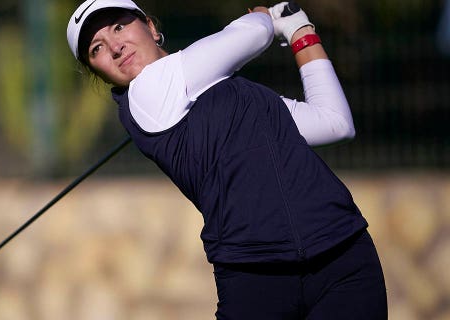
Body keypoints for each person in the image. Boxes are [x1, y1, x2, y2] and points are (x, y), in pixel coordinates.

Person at [66, 0, 387, 319]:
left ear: (151, 27)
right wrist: (267, 16)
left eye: (119, 27)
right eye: (97, 48)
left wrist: (300, 32)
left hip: (341, 256)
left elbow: (334, 122)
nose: (116, 47)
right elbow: (253, 36)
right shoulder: (147, 93)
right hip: (256, 279)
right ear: (100, 73)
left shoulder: (240, 94)